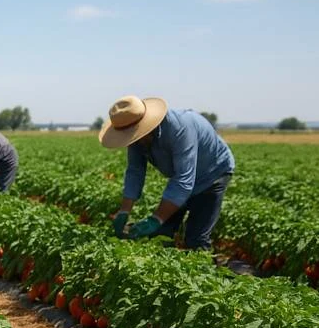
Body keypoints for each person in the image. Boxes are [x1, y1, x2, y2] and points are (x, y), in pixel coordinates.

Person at [100, 95, 235, 250]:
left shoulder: (179, 129)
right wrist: (124, 210)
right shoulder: (137, 140)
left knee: (195, 239)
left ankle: (205, 269)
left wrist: (156, 218)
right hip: (182, 179)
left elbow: (184, 180)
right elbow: (135, 172)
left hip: (212, 175)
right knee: (161, 235)